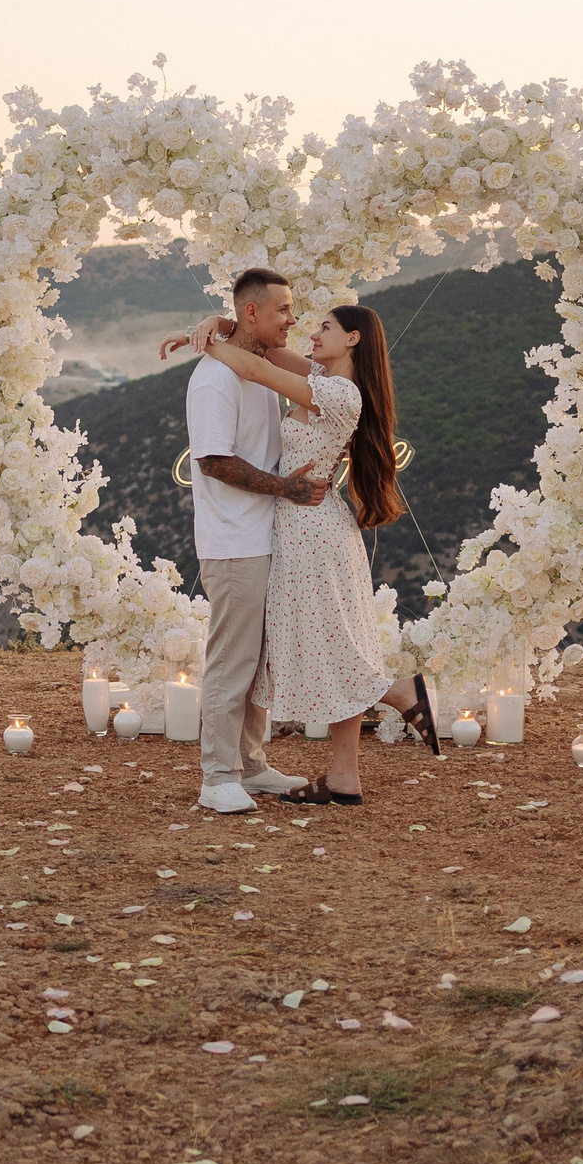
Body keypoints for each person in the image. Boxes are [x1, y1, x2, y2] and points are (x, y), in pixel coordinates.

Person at [176, 301, 437, 803]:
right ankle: (343, 778)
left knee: (329, 642)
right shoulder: (322, 375)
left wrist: (203, 339)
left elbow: (254, 365)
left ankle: (399, 692)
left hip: (310, 529)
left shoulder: (338, 394)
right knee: (328, 639)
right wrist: (213, 324)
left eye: (325, 327)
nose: (312, 332)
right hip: (301, 527)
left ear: (354, 338)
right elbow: (268, 346)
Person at [178, 268, 329, 815]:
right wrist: (286, 489)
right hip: (233, 541)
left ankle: (251, 765)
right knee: (231, 660)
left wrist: (213, 324)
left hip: (264, 536)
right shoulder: (214, 380)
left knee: (258, 660)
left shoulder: (255, 369)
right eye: (284, 310)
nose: (293, 319)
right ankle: (217, 776)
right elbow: (215, 461)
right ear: (252, 312)